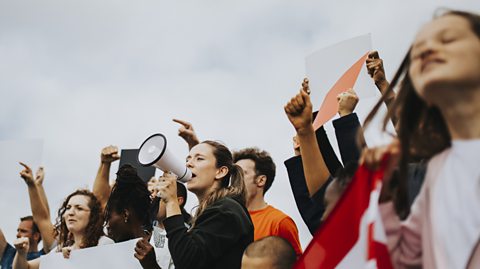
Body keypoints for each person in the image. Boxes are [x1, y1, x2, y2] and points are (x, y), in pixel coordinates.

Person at [362, 10, 480, 268]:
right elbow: (405, 257)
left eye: (447, 39)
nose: (427, 50)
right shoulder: (438, 172)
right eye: (418, 52)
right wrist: (383, 195)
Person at [155, 140, 254, 269]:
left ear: (221, 172)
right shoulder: (218, 208)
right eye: (188, 159)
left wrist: (172, 202)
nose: (188, 164)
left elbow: (187, 261)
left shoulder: (225, 211)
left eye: (199, 159)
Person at [13, 187, 113, 269]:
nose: (71, 212)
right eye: (68, 208)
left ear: (93, 216)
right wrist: (21, 253)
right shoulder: (60, 249)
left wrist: (75, 258)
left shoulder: (104, 243)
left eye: (79, 208)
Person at [233, 147, 302, 256]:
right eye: (233, 174)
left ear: (260, 180)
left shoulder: (280, 222)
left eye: (242, 173)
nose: (234, 179)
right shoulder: (227, 218)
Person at [148, 178, 191, 269]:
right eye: (153, 192)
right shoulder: (150, 229)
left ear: (178, 201)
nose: (153, 196)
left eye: (160, 193)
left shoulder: (186, 236)